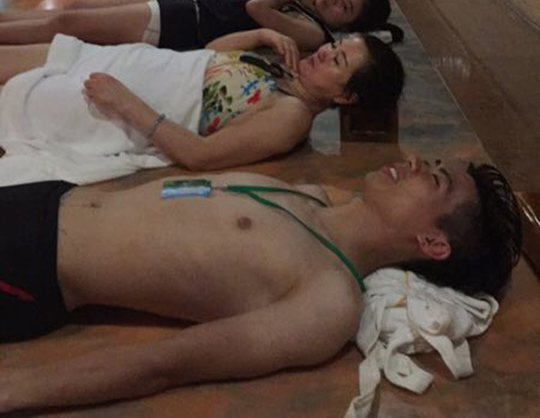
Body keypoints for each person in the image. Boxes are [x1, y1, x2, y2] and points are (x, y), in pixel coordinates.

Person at [0, 156, 521, 412]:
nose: (412, 162)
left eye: (433, 178)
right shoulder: (310, 194)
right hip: (44, 198)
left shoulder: (329, 298)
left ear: (433, 243)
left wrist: (14, 391)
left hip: (28, 266)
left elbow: (163, 365)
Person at [0, 29, 403, 183]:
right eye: (335, 45)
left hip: (122, 99)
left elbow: (201, 155)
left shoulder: (291, 116)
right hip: (129, 63)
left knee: (17, 103)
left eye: (337, 60)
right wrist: (260, 35)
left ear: (345, 96)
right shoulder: (286, 74)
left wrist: (124, 101)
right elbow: (210, 55)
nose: (325, 52)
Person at [0, 0, 401, 51]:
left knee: (67, 25)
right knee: (74, 9)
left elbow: (256, 8)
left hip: (184, 25)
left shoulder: (314, 33)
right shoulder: (310, 6)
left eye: (345, 6)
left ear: (348, 25)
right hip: (185, 1)